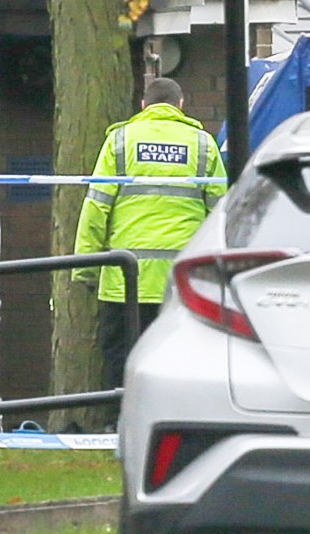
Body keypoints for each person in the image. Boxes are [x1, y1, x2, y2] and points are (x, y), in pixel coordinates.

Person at [72, 77, 227, 420]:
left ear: (143, 106)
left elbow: (96, 206)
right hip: (179, 283)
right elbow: (220, 213)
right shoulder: (203, 145)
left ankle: (120, 429)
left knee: (122, 361)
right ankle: (173, 425)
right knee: (178, 360)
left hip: (123, 282)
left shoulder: (120, 141)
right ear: (181, 106)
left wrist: (85, 266)